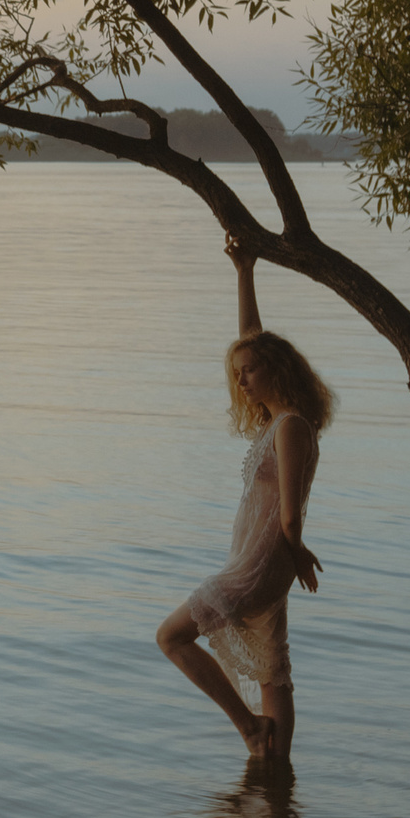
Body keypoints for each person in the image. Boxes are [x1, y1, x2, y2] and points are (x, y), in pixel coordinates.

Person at [155, 233, 333, 760]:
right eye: (238, 374)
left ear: (275, 370)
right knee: (273, 670)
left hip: (261, 562)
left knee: (171, 637)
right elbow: (251, 340)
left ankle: (252, 731)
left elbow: (292, 510)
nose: (241, 380)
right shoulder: (277, 418)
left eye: (248, 372)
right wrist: (244, 270)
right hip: (263, 559)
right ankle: (274, 771)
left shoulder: (291, 427)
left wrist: (297, 552)